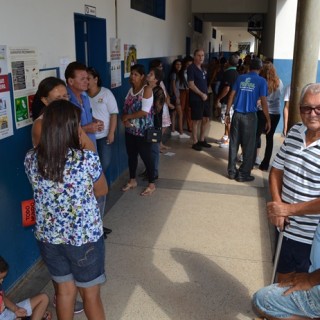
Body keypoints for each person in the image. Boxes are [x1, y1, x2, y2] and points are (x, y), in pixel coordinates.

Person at [24, 100, 108, 320]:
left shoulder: (31, 159)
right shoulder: (85, 159)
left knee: (64, 291)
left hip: (49, 239)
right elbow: (102, 190)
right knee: (90, 295)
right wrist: (82, 136)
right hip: (84, 239)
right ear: (73, 128)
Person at [253, 83, 320, 320]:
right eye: (307, 108)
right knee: (281, 287)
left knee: (304, 296)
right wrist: (279, 206)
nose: (312, 113)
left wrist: (289, 208)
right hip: (286, 231)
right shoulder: (294, 133)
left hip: (312, 239)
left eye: (318, 109)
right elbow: (276, 170)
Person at [225, 57, 271, 182]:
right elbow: (264, 102)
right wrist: (268, 119)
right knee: (249, 145)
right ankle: (243, 174)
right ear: (260, 69)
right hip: (250, 117)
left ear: (249, 67)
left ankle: (231, 171)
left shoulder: (240, 78)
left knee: (234, 144)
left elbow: (231, 95)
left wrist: (227, 113)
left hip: (237, 115)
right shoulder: (261, 81)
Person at [87, 67, 118, 238]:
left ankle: (97, 221)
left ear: (96, 79)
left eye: (89, 78)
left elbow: (114, 114)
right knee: (93, 177)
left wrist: (111, 132)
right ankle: (95, 222)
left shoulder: (105, 94)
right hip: (88, 139)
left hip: (104, 137)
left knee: (101, 172)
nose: (87, 81)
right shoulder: (83, 96)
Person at [121, 64, 156, 196]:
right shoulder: (130, 90)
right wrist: (125, 120)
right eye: (131, 74)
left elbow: (144, 112)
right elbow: (126, 108)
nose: (132, 77)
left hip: (143, 131)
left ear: (142, 76)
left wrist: (128, 117)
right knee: (131, 156)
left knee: (146, 156)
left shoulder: (146, 90)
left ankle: (152, 184)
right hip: (130, 130)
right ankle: (132, 180)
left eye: (136, 74)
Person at [65, 61, 104, 147]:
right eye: (82, 79)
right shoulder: (64, 100)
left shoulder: (84, 95)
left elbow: (87, 114)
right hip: (77, 152)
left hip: (91, 146)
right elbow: (63, 133)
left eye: (87, 78)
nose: (87, 82)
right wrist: (85, 129)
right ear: (71, 81)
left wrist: (95, 121)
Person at [257, 61, 284, 171]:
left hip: (262, 112)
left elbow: (261, 99)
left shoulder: (262, 82)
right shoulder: (279, 82)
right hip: (276, 113)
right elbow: (279, 95)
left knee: (256, 136)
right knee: (269, 138)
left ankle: (251, 159)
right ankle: (265, 164)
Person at [187, 49, 212, 151]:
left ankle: (202, 139)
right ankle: (195, 141)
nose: (201, 57)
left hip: (205, 97)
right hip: (196, 98)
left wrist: (206, 93)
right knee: (196, 120)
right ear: (194, 56)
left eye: (202, 55)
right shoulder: (191, 68)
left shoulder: (202, 68)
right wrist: (201, 94)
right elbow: (191, 85)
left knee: (206, 118)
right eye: (199, 55)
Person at [215, 54, 239, 148]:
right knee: (227, 120)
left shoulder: (228, 73)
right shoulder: (237, 73)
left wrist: (218, 98)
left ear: (228, 62)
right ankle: (225, 136)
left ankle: (229, 140)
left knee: (228, 120)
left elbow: (226, 89)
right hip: (233, 101)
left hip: (228, 101)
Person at [169, 59, 189, 138]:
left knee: (174, 114)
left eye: (180, 64)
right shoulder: (174, 74)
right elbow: (173, 86)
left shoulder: (178, 74)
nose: (179, 66)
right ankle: (181, 132)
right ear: (174, 65)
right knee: (180, 114)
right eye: (177, 64)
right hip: (175, 96)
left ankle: (173, 130)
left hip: (174, 96)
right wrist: (177, 97)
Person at [178, 56, 193, 132]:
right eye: (187, 64)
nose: (188, 66)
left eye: (190, 64)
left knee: (189, 109)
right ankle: (181, 125)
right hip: (182, 91)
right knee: (182, 108)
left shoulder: (192, 71)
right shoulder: (181, 71)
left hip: (189, 91)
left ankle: (190, 126)